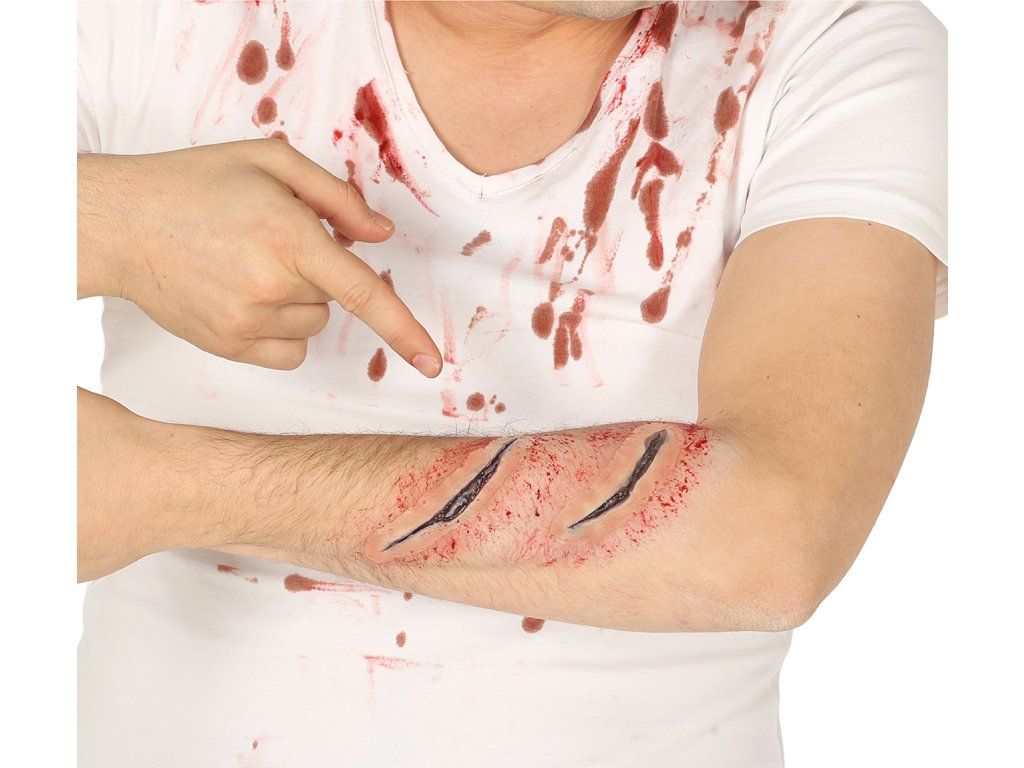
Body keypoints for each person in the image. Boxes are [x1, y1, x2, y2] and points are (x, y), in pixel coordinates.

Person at [77, 1, 947, 765]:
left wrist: (174, 487)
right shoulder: (148, 19)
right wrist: (109, 219)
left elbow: (769, 538)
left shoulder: (830, 43)